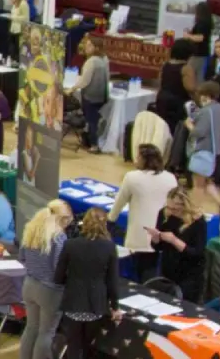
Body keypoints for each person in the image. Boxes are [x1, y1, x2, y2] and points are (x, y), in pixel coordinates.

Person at [54, 209, 123, 359]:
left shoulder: (70, 244)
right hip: (95, 305)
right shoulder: (110, 247)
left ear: (83, 223)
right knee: (88, 347)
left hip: (73, 303)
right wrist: (115, 307)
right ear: (105, 225)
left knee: (73, 345)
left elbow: (58, 277)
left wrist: (72, 282)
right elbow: (112, 281)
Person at [17, 200, 73, 359]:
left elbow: (22, 257)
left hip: (29, 285)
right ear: (63, 219)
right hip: (49, 290)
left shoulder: (30, 229)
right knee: (46, 332)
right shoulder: (58, 237)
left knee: (31, 327)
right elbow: (58, 267)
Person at [111, 145, 178, 276]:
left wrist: (110, 219)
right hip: (162, 233)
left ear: (143, 159)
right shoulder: (171, 178)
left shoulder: (132, 177)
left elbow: (120, 202)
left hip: (138, 234)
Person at [150, 186, 210, 300]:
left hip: (189, 275)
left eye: (175, 209)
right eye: (169, 207)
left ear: (184, 206)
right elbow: (158, 247)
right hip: (168, 270)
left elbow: (197, 253)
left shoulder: (197, 222)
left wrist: (174, 241)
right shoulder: (164, 214)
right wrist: (155, 239)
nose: (171, 211)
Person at [186, 81, 220, 201]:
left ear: (206, 95)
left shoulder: (205, 111)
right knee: (207, 181)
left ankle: (195, 211)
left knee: (198, 185)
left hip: (204, 150)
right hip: (217, 151)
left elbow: (199, 132)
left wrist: (189, 125)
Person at [70, 40, 110, 150]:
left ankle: (94, 145)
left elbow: (85, 81)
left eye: (89, 45)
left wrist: (72, 89)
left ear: (96, 47)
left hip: (91, 95)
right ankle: (90, 136)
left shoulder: (91, 62)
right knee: (93, 119)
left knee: (91, 120)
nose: (86, 48)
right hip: (102, 94)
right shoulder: (105, 59)